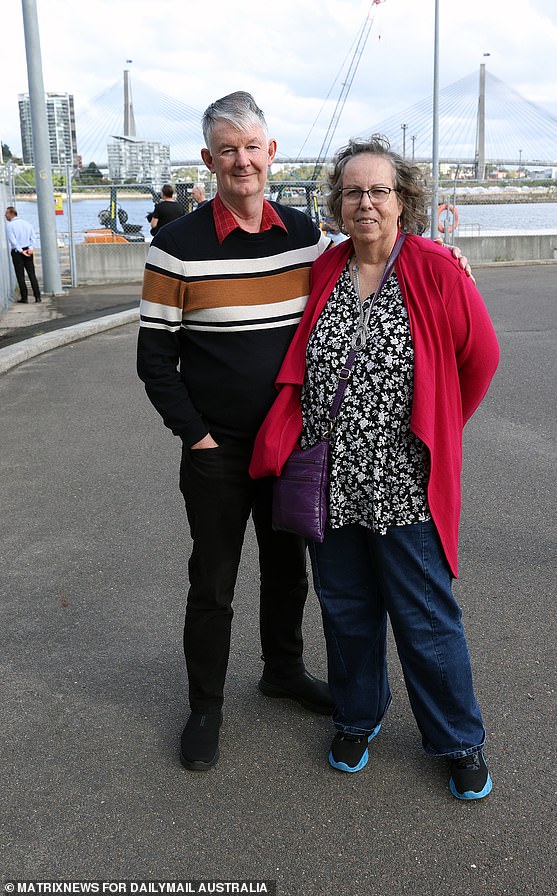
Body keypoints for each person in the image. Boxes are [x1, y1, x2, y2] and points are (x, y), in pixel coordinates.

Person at [250, 136, 500, 801]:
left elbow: (481, 360)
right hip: (329, 485)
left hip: (404, 487)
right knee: (348, 612)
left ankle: (459, 739)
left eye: (378, 190)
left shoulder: (436, 268)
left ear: (403, 200)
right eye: (353, 191)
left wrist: (441, 427)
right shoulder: (326, 268)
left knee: (426, 622)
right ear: (338, 202)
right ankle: (357, 719)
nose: (365, 202)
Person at [136, 91, 334, 772]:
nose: (242, 160)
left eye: (252, 146)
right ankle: (206, 706)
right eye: (228, 149)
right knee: (213, 582)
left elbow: (369, 277)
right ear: (209, 159)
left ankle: (283, 670)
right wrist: (195, 436)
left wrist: (440, 262)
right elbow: (155, 358)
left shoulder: (305, 236)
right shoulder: (176, 246)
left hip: (289, 442)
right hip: (216, 449)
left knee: (288, 572)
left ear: (270, 152)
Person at [5, 206, 42, 303]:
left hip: (18, 252)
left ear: (11, 214)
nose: (5, 215)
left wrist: (21, 251)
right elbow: (33, 237)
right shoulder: (27, 224)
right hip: (28, 250)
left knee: (20, 275)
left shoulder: (10, 226)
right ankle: (37, 297)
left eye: (6, 213)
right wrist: (30, 248)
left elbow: (13, 241)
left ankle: (24, 297)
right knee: (32, 274)